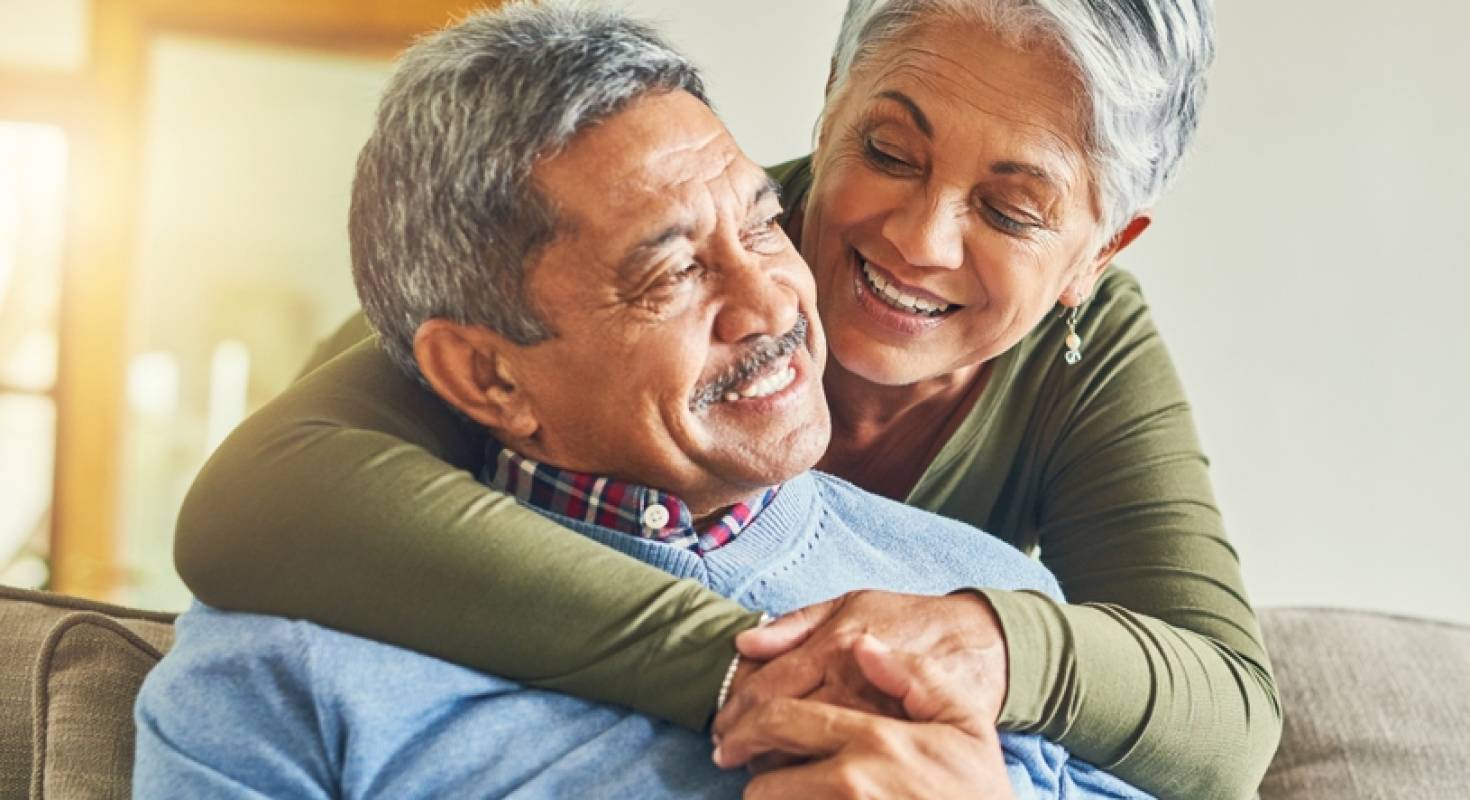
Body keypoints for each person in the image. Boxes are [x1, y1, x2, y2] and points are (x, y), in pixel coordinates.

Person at [174, 0, 1280, 796]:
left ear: (1099, 252)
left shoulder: (1004, 546)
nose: (918, 237)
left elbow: (1224, 715)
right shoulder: (297, 656)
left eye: (1015, 208)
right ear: (830, 106)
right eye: (889, 150)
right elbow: (261, 501)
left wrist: (991, 648)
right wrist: (773, 678)